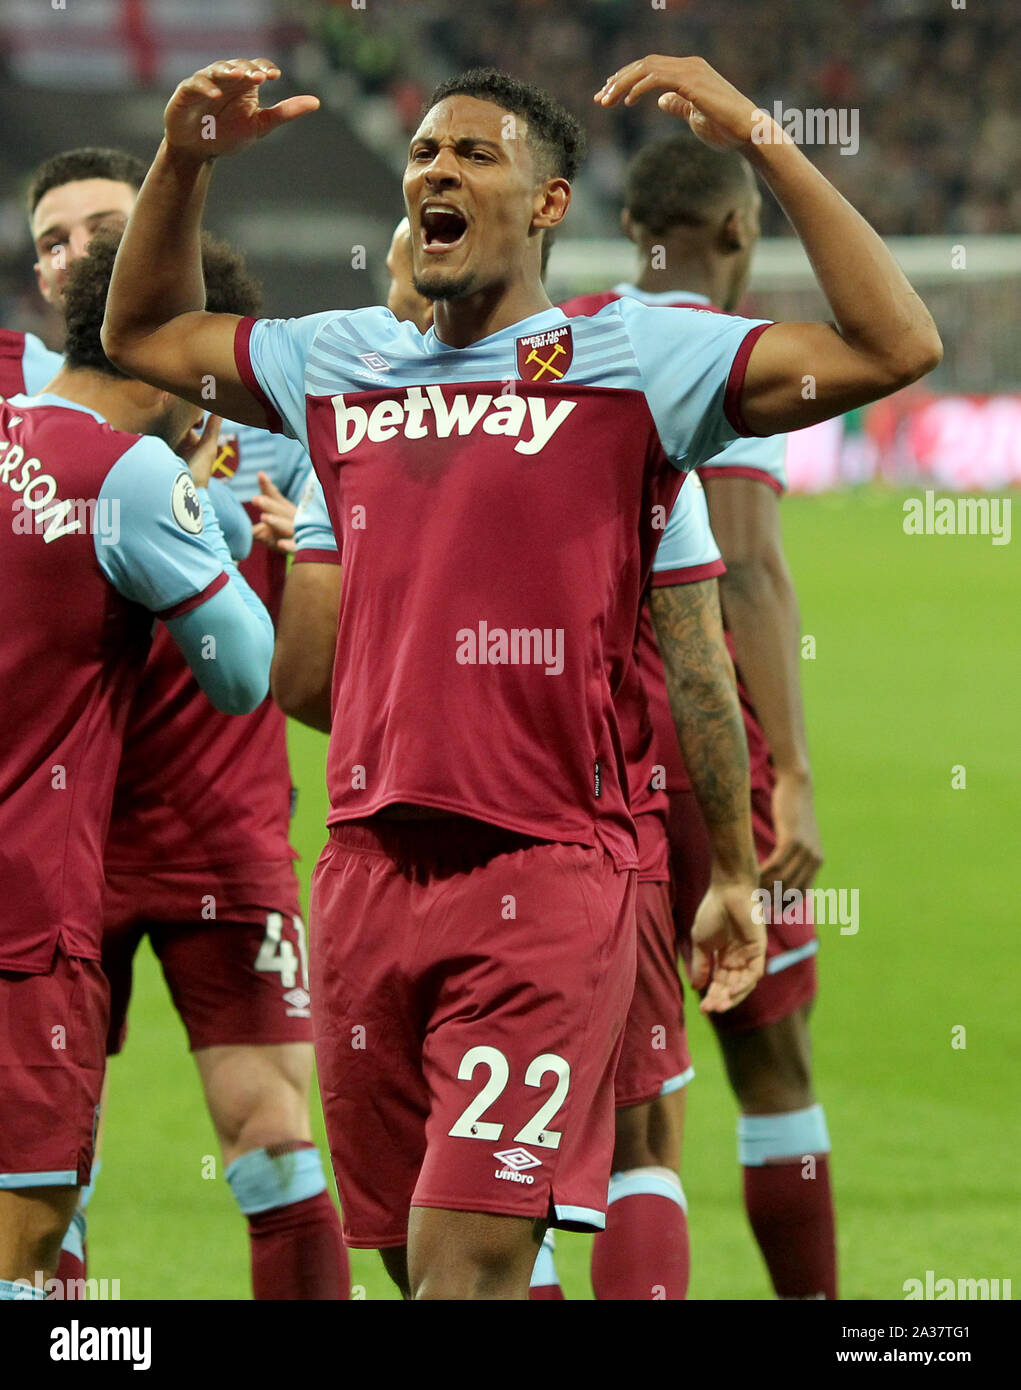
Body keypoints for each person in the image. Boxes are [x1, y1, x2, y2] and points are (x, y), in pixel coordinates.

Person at [101, 55, 939, 1300]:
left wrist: (760, 134)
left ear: (548, 205)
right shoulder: (339, 363)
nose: (435, 169)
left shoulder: (636, 357)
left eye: (474, 154)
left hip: (546, 871)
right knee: (407, 1257)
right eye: (424, 154)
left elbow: (894, 343)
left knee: (466, 1272)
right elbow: (141, 335)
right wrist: (184, 162)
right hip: (366, 875)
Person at [25, 145, 347, 1300]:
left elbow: (331, 631)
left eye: (103, 231)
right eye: (54, 241)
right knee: (51, 1161)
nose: (79, 258)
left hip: (222, 818)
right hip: (63, 840)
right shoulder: (35, 429)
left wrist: (309, 553)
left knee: (268, 1133)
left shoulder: (268, 415)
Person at [561, 132, 835, 1298]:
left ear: (630, 232)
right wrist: (792, 777)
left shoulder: (564, 333)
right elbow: (752, 570)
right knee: (771, 1062)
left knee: (632, 1106)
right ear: (737, 231)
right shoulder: (731, 355)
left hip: (584, 740)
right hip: (705, 724)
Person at [0, 231, 273, 1299]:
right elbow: (243, 674)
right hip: (26, 924)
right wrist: (203, 513)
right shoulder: (131, 473)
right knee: (24, 1256)